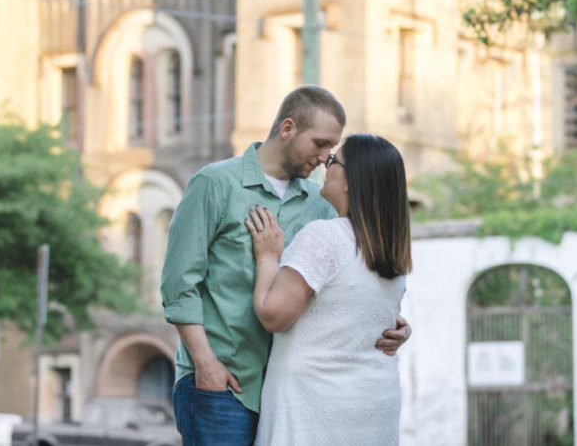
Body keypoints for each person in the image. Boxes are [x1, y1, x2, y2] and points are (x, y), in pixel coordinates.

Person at [160, 86, 411, 446]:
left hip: (293, 390)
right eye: (321, 143)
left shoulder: (321, 203)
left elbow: (343, 279)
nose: (326, 158)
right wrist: (205, 364)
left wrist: (391, 323)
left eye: (332, 149)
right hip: (224, 383)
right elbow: (178, 285)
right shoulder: (215, 184)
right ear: (288, 128)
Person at [245, 133, 412, 446]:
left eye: (334, 160)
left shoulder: (325, 237)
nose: (325, 162)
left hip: (314, 405)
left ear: (351, 180)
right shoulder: (393, 251)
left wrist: (267, 257)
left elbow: (273, 316)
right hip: (374, 403)